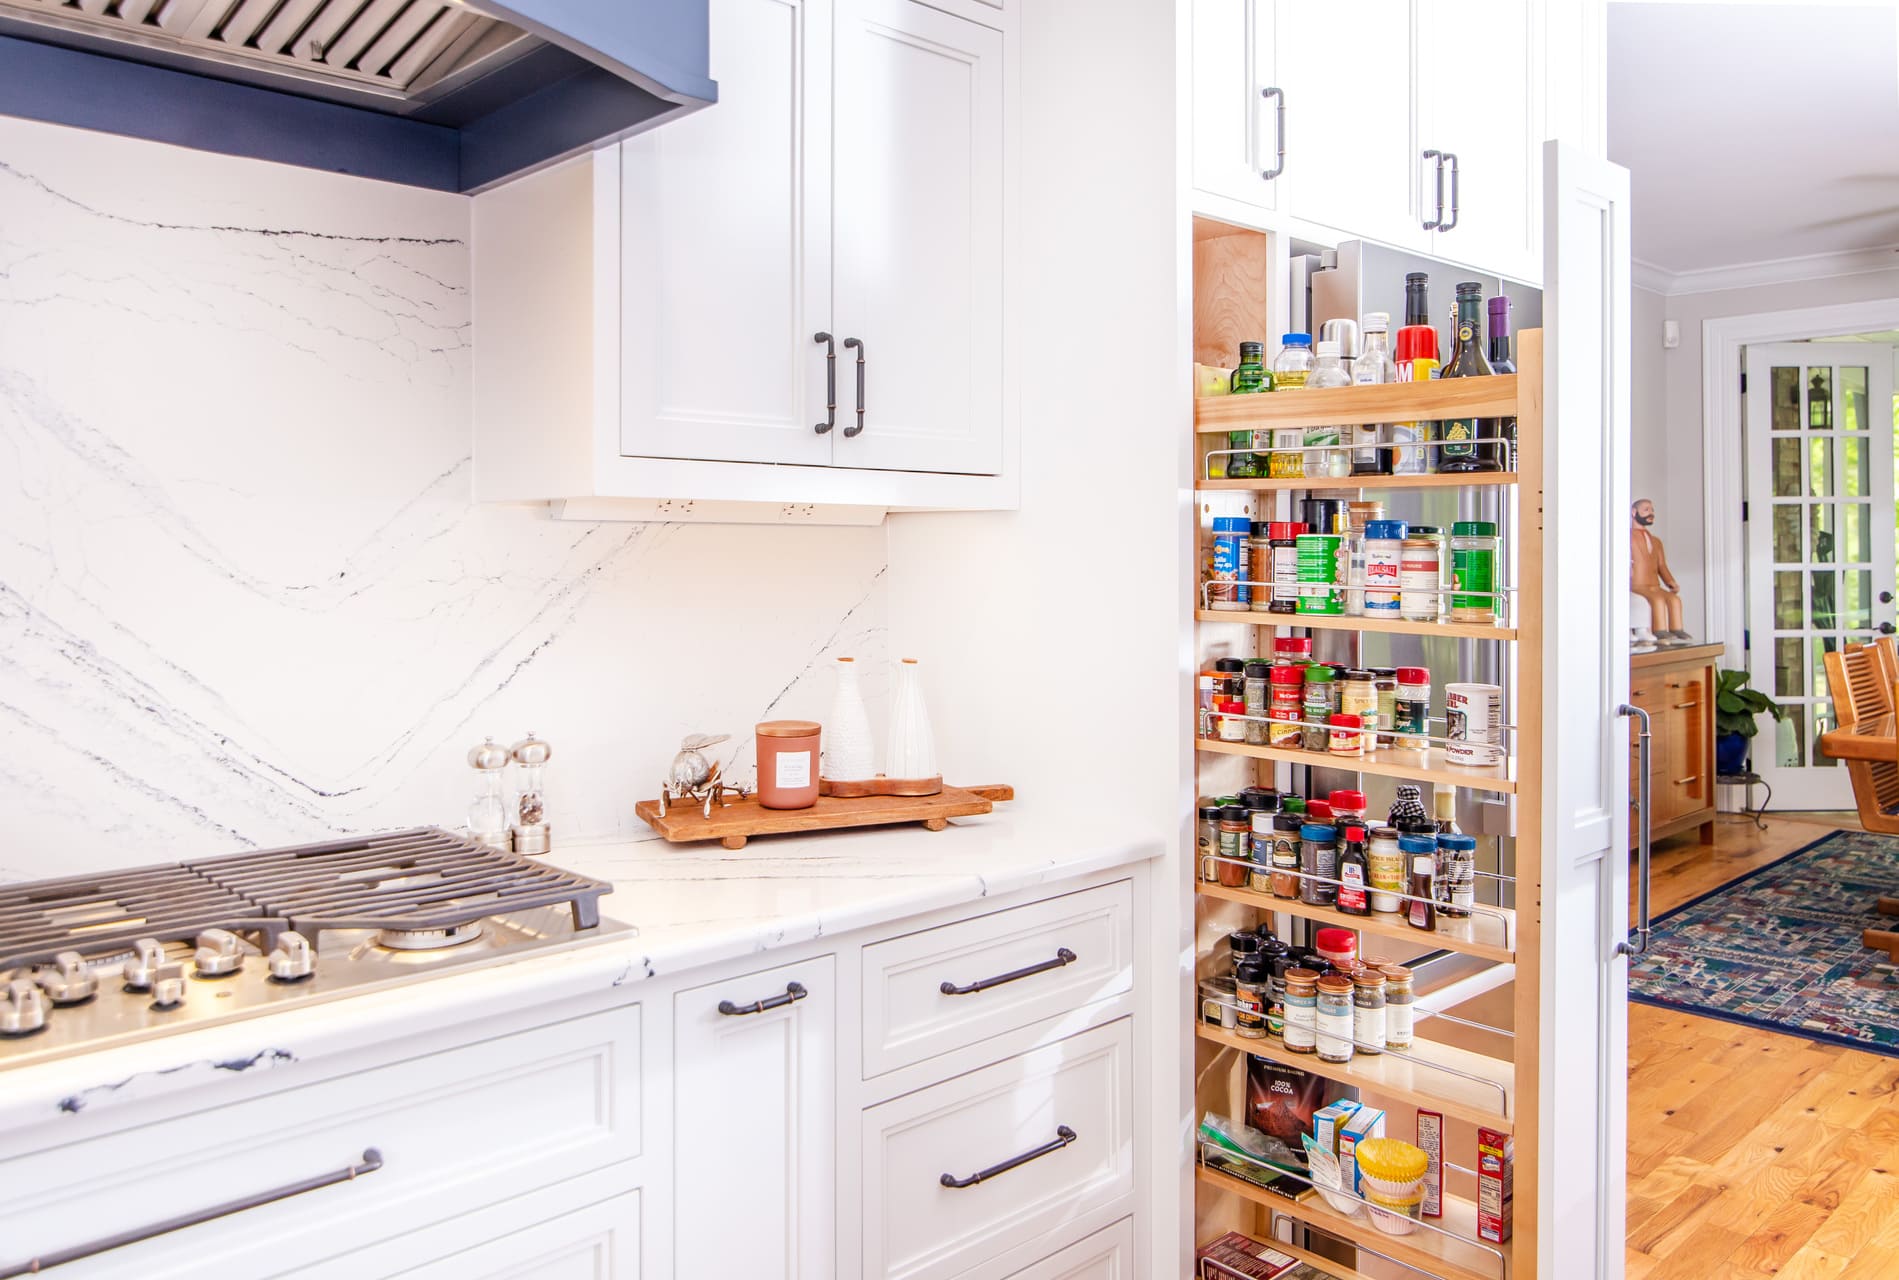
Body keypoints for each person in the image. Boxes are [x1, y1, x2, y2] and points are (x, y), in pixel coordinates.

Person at [1631, 498, 1691, 645]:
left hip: (1654, 585)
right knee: (1657, 601)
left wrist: (1670, 582)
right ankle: (1659, 631)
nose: (1651, 513)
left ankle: (1676, 629)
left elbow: (1662, 566)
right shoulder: (1627, 537)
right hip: (1638, 585)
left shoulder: (1656, 541)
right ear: (1634, 512)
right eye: (1646, 510)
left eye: (1652, 510)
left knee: (1674, 600)